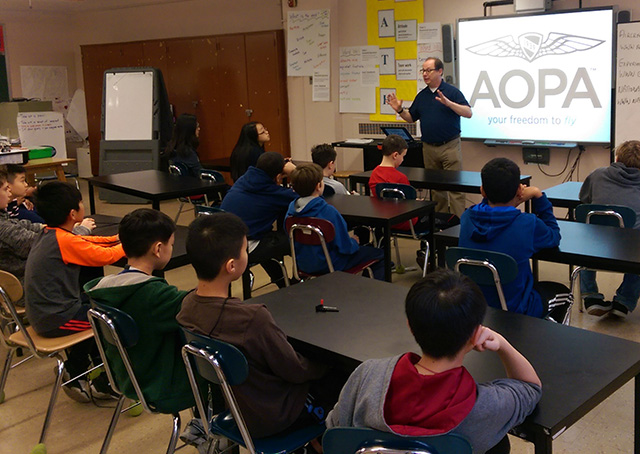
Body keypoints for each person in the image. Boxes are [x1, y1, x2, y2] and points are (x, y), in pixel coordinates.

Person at [326, 269, 542, 454]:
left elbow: (334, 432)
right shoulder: (487, 407)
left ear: (410, 326)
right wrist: (502, 343)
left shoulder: (367, 374)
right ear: (475, 334)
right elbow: (531, 387)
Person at [177, 212, 339, 438]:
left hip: (235, 410)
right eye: (245, 250)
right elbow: (297, 370)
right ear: (231, 266)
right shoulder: (252, 319)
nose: (247, 253)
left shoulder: (186, 307)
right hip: (275, 416)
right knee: (343, 375)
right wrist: (330, 361)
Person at [84, 208, 195, 414]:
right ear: (158, 249)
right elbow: (200, 307)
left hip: (126, 377)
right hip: (162, 386)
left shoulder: (102, 288)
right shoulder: (155, 295)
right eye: (171, 244)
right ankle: (207, 430)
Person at [24, 182, 125, 402]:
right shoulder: (64, 241)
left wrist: (116, 239)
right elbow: (105, 257)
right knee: (108, 319)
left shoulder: (52, 233)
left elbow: (87, 241)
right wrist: (132, 244)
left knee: (97, 305)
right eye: (81, 202)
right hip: (55, 319)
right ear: (73, 213)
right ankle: (86, 374)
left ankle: (89, 370)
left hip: (44, 314)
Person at [459, 158, 569, 321]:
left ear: (482, 191)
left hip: (475, 305)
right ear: (519, 190)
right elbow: (554, 236)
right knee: (565, 295)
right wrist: (538, 195)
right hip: (516, 308)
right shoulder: (528, 224)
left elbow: (489, 210)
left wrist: (507, 203)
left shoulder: (467, 217)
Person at [386, 57, 472, 218]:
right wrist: (399, 110)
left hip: (450, 146)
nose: (425, 74)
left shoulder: (452, 92)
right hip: (429, 147)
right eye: (423, 71)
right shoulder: (422, 96)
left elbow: (468, 113)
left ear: (440, 71)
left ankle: (458, 224)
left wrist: (449, 104)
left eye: (429, 70)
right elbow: (411, 117)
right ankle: (440, 223)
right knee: (435, 188)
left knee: (455, 188)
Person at [286, 163, 385, 280]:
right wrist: (354, 241)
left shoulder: (291, 212)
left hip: (303, 264)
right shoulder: (328, 211)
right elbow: (345, 247)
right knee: (379, 254)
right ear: (319, 186)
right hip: (331, 263)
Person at [579, 140, 640, 319]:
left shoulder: (597, 175)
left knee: (586, 236)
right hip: (631, 251)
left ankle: (590, 296)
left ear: (617, 158)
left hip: (596, 245)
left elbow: (584, 199)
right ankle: (624, 301)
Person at [220, 151, 296, 290]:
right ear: (278, 176)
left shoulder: (244, 180)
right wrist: (295, 172)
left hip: (223, 242)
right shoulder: (273, 192)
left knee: (267, 238)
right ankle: (299, 281)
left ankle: (284, 283)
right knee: (295, 239)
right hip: (244, 247)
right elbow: (309, 193)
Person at [369, 135, 430, 233]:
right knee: (448, 218)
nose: (403, 160)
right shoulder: (401, 177)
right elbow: (409, 205)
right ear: (395, 155)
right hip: (406, 222)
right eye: (403, 156)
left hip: (384, 220)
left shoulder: (374, 174)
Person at [0, 167, 44, 304]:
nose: (9, 192)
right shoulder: (2, 227)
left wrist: (48, 227)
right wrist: (80, 231)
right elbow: (39, 245)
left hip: (24, 281)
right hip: (26, 288)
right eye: (5, 189)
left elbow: (20, 224)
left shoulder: (3, 217)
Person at [166, 113, 202, 177]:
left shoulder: (172, 150)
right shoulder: (188, 154)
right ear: (190, 131)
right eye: (197, 127)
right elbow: (200, 174)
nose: (199, 129)